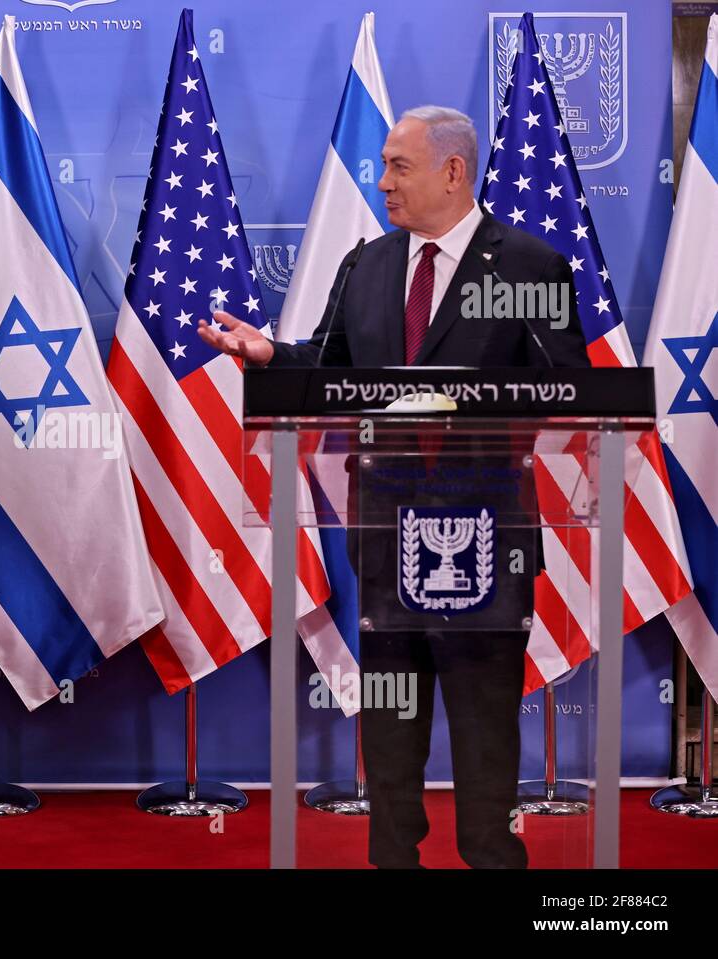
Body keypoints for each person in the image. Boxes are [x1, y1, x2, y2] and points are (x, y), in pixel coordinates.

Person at [199, 106, 590, 868]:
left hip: (486, 544)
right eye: (381, 166)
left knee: (484, 733)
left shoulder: (528, 267)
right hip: (383, 536)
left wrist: (463, 405)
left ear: (453, 171)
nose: (382, 183)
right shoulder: (368, 266)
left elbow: (571, 392)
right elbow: (334, 369)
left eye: (398, 167)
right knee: (390, 727)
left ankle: (491, 858)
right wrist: (272, 352)